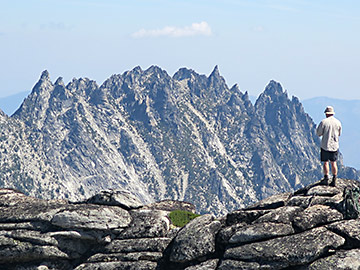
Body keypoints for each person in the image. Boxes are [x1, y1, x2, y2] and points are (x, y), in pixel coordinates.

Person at [316, 106, 342, 186]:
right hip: (334, 145)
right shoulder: (338, 122)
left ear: (326, 114)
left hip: (325, 145)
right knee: (334, 162)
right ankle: (334, 179)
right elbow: (339, 134)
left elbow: (318, 133)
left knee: (325, 163)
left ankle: (326, 178)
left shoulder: (323, 122)